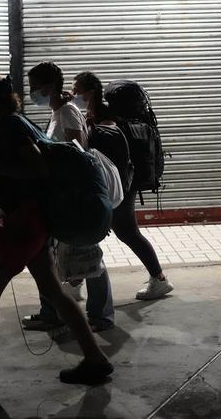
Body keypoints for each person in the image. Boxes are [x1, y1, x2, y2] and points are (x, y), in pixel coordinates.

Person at [0, 65, 113, 388]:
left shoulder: (9, 125)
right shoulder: (14, 121)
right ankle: (95, 358)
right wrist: (2, 174)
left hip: (24, 224)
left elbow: (38, 170)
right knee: (54, 292)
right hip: (33, 221)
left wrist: (1, 172)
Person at [20, 62, 116, 333]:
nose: (32, 92)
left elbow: (78, 151)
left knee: (88, 255)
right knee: (58, 255)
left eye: (34, 86)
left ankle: (100, 315)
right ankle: (54, 311)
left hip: (74, 197)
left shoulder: (67, 111)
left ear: (49, 86)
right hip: (60, 196)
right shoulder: (57, 112)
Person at [72, 71, 174, 300]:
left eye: (77, 90)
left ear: (90, 91)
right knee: (114, 232)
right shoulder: (99, 112)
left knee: (121, 231)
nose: (74, 94)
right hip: (121, 182)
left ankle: (159, 280)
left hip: (120, 183)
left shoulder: (107, 115)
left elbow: (109, 151)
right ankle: (75, 282)